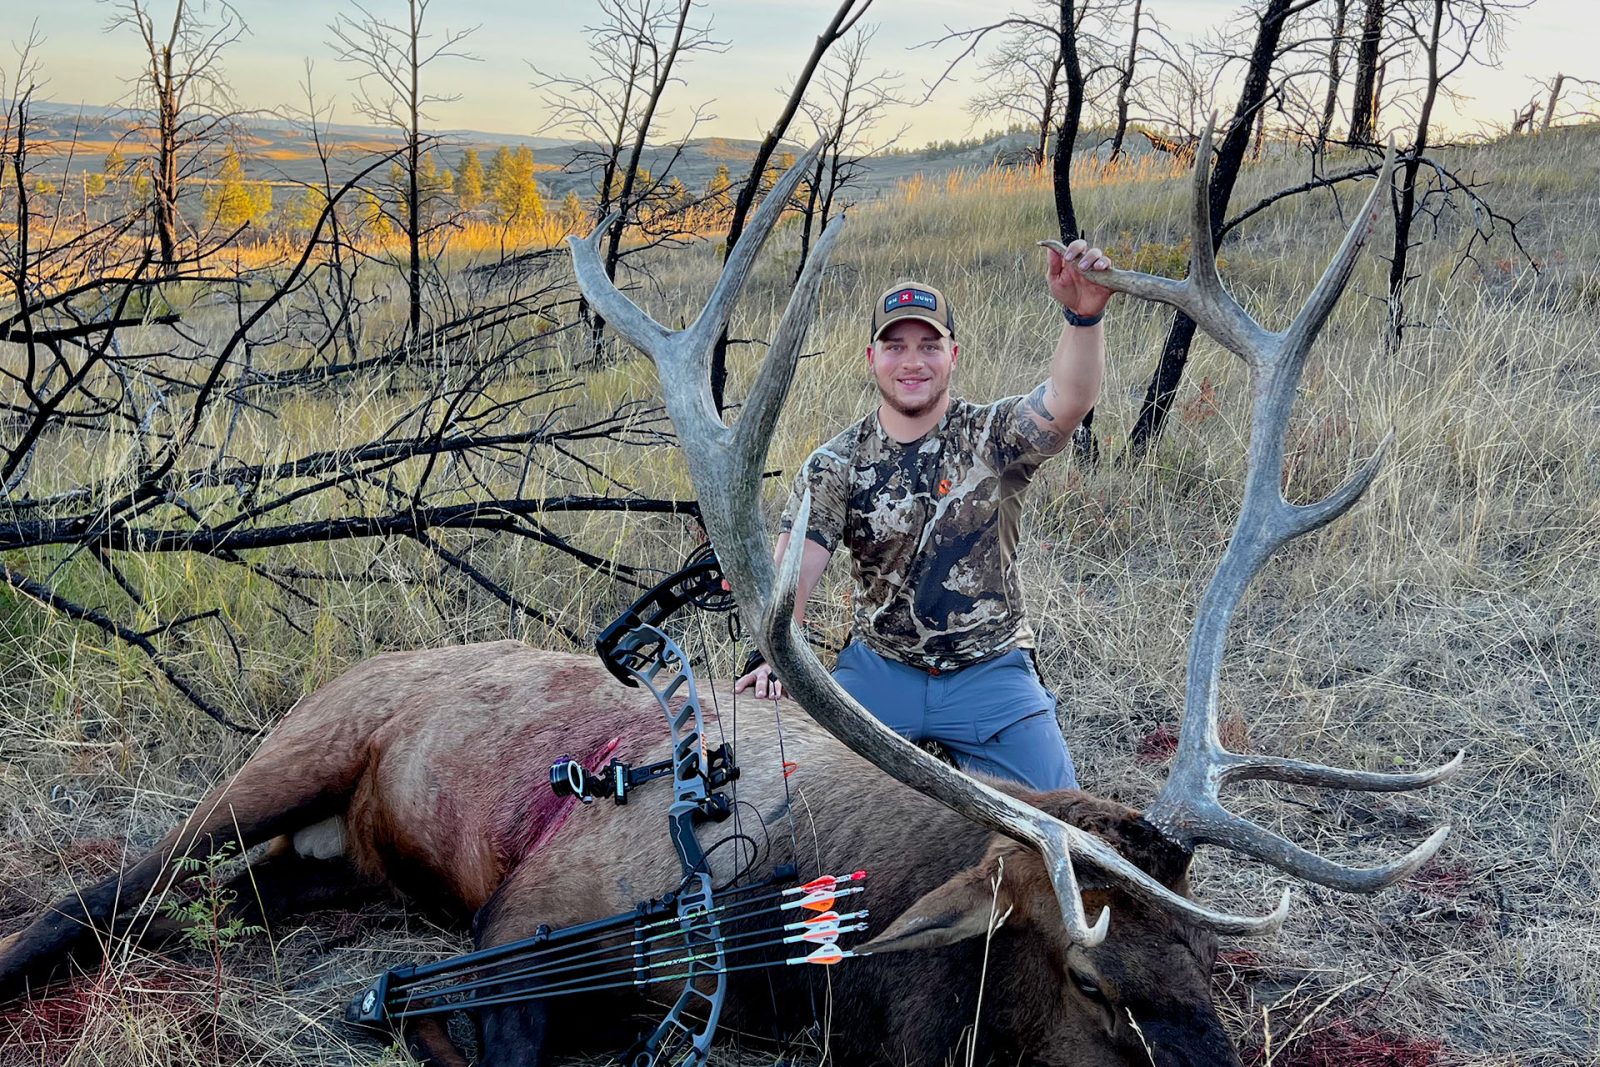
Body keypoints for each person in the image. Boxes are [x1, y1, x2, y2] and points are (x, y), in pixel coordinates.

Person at [734, 239, 1116, 791]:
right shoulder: (835, 464)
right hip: (879, 670)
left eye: (928, 345)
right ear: (872, 359)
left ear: (952, 355)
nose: (911, 361)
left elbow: (1068, 399)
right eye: (894, 346)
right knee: (810, 807)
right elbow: (792, 571)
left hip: (991, 669)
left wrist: (1083, 316)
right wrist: (775, 652)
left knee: (1055, 820)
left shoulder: (993, 436)